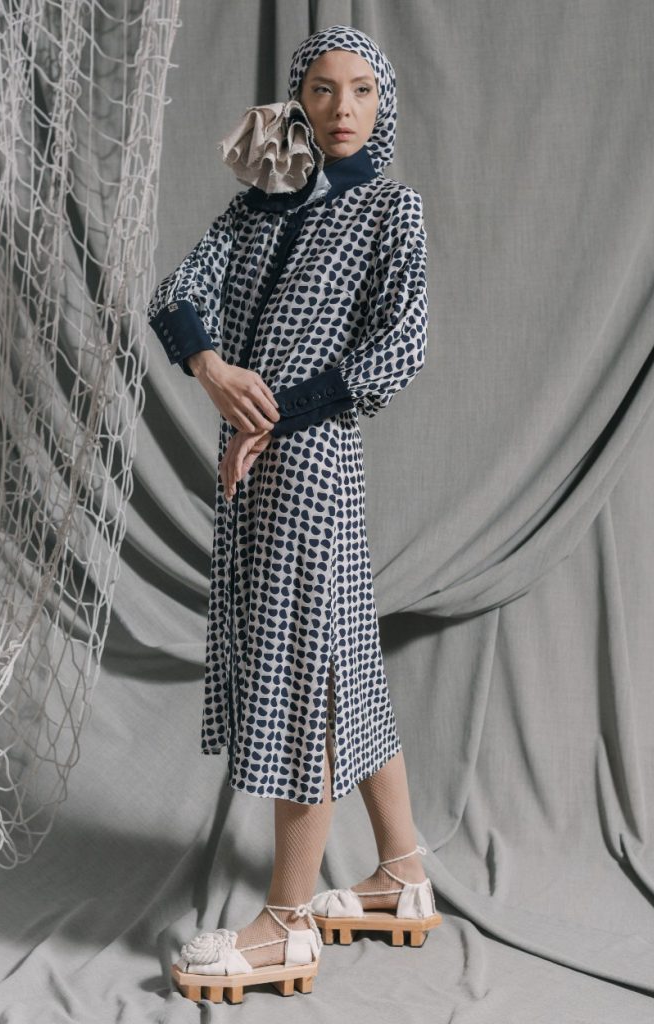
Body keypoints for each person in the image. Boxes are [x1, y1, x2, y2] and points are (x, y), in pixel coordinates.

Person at [147, 24, 439, 1002]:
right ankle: (402, 874)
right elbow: (176, 295)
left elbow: (399, 346)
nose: (342, 108)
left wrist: (272, 416)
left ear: (382, 103)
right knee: (344, 656)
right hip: (255, 468)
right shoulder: (259, 205)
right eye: (321, 89)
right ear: (298, 100)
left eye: (361, 90)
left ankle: (287, 922)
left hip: (312, 464)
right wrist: (211, 367)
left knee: (306, 674)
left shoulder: (391, 211)